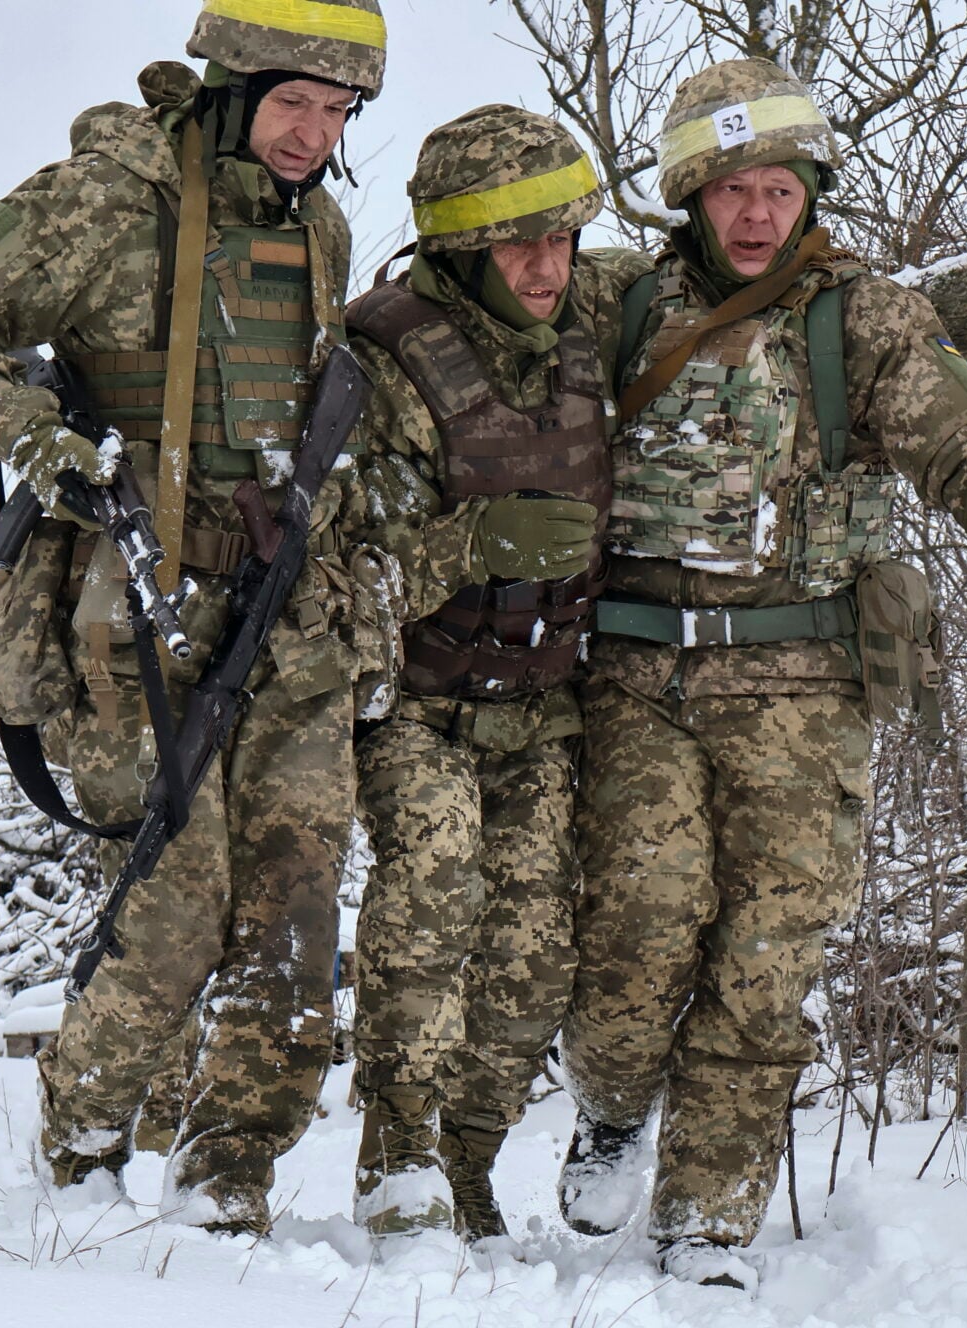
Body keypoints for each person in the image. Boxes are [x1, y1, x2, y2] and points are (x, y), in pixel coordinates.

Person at [560, 58, 967, 1290]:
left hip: (803, 684)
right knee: (636, 941)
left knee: (767, 959)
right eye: (733, 192)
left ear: (810, 193)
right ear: (689, 198)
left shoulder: (861, 319)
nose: (759, 215)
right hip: (636, 675)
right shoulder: (619, 306)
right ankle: (608, 1103)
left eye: (781, 188)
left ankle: (708, 1217)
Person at [0, 0, 387, 1236]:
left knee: (297, 914)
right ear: (228, 88)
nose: (311, 133)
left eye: (336, 111)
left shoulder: (320, 224)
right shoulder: (108, 195)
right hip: (134, 609)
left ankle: (227, 1183)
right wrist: (35, 436)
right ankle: (85, 1152)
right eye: (291, 104)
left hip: (288, 611)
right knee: (171, 900)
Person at [342, 106, 648, 1240]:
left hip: (543, 704)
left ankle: (469, 1162)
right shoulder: (383, 364)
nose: (545, 264)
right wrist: (471, 547)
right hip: (419, 701)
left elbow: (721, 280)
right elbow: (346, 568)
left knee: (534, 960)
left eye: (563, 238)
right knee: (433, 893)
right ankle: (400, 1163)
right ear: (461, 249)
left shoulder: (593, 314)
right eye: (518, 243)